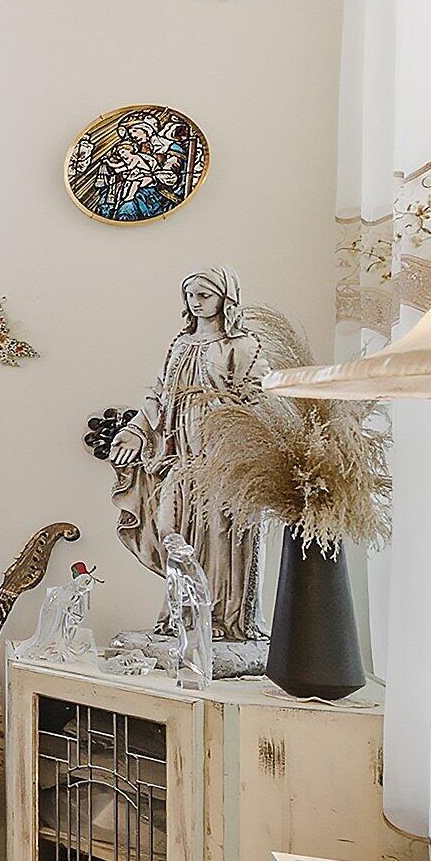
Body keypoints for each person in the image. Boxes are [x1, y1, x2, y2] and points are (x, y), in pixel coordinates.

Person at [107, 268, 266, 641]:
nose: (196, 302)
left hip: (220, 457)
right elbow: (160, 396)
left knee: (218, 535)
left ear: (225, 298)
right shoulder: (180, 344)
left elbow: (258, 398)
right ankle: (181, 611)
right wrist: (135, 430)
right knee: (171, 529)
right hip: (179, 455)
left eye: (204, 295)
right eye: (190, 295)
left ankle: (219, 618)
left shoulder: (241, 346)